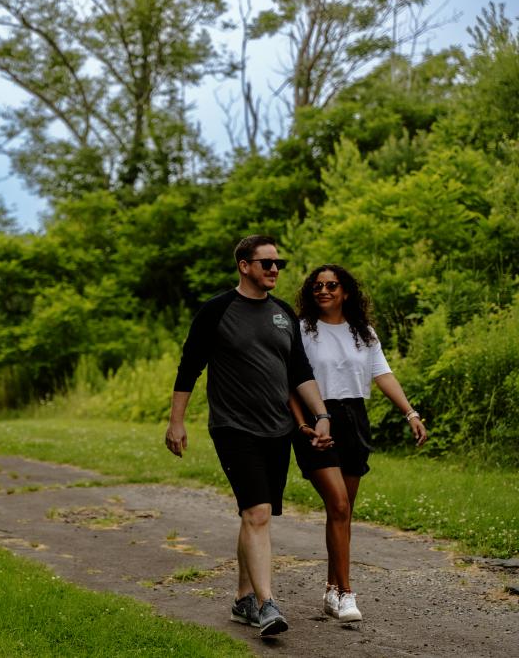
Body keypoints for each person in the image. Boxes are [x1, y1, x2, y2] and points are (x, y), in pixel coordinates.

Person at [164, 235, 333, 638]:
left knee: (254, 514)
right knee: (257, 513)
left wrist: (321, 414)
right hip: (233, 427)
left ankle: (242, 598)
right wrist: (176, 421)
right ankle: (267, 604)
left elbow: (299, 370)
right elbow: (190, 368)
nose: (275, 269)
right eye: (267, 263)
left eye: (279, 263)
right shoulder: (217, 311)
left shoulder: (282, 313)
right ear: (244, 266)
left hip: (279, 429)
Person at [289, 264, 428, 623]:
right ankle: (348, 594)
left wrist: (410, 413)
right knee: (337, 504)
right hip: (317, 420)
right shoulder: (303, 330)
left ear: (345, 291)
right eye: (317, 286)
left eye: (331, 285)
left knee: (343, 510)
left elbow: (383, 374)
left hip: (354, 418)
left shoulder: (362, 333)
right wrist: (302, 423)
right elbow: (289, 379)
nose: (323, 290)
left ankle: (332, 589)